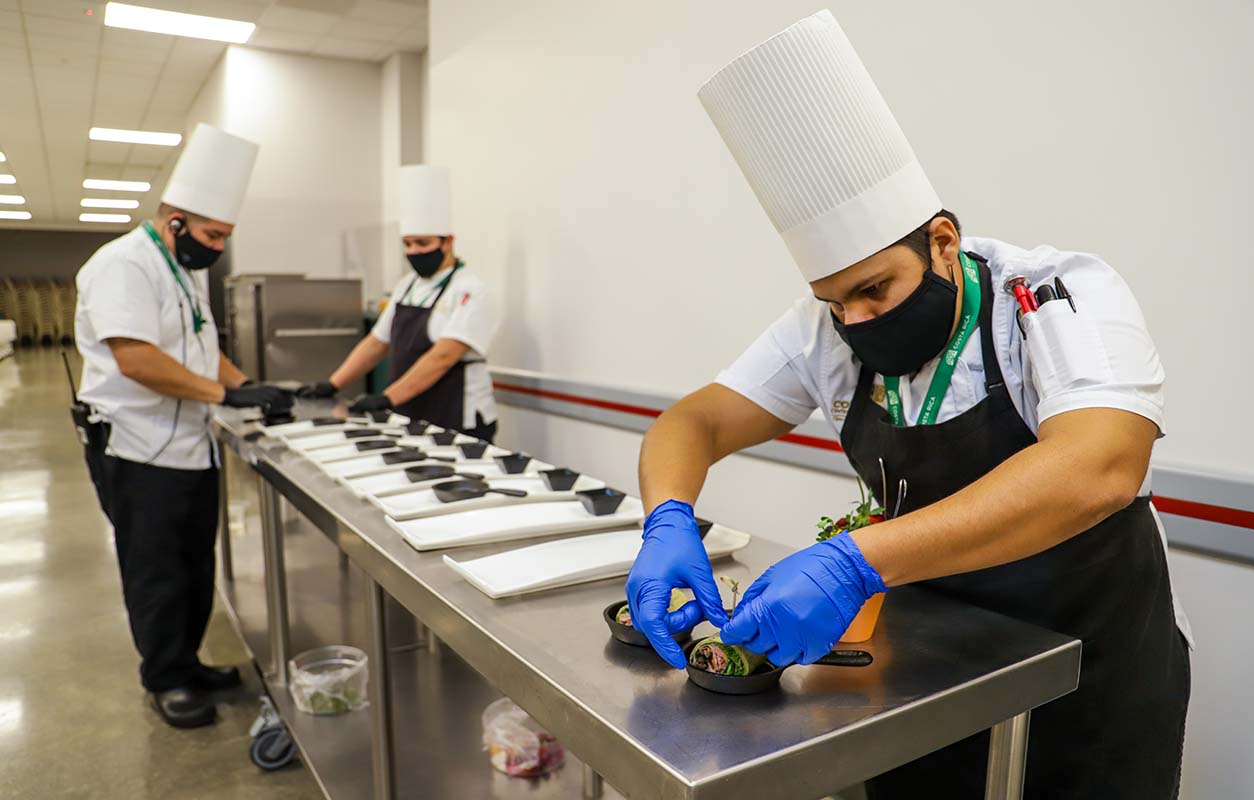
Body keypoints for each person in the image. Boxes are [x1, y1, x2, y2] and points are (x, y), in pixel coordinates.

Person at [625, 11, 1190, 799]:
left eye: (872, 289)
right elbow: (696, 421)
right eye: (833, 301)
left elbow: (1099, 467)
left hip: (1091, 666)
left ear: (944, 244)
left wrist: (855, 562)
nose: (855, 321)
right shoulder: (822, 330)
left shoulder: (1052, 293)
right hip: (926, 672)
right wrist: (668, 519)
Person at [75, 123, 293, 729]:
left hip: (191, 444)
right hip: (138, 447)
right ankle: (165, 678)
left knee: (195, 562)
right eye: (211, 234)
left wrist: (245, 387)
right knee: (155, 568)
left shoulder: (185, 272)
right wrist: (224, 393)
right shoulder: (122, 265)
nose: (218, 247)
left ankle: (188, 662)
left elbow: (200, 349)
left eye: (225, 236)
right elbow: (137, 359)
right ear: (175, 220)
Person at [297, 165, 499, 441]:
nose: (413, 252)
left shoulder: (470, 289)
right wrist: (332, 384)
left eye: (422, 243)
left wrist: (387, 397)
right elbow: (376, 343)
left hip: (457, 414)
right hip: (412, 408)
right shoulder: (407, 286)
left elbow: (443, 357)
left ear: (448, 242)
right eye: (407, 244)